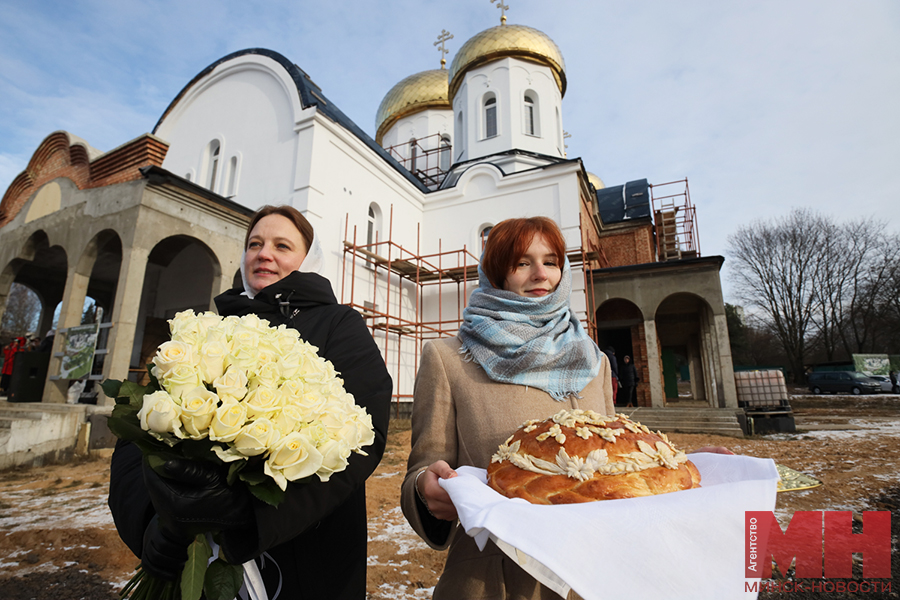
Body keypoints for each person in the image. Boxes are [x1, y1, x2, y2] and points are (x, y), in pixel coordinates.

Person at [108, 205, 393, 599]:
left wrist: (253, 513)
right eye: (255, 243)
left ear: (308, 260)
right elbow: (137, 430)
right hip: (195, 553)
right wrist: (151, 519)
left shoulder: (338, 324)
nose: (264, 253)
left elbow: (365, 432)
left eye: (282, 245)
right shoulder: (211, 327)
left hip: (307, 556)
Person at [401, 217, 615, 600]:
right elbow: (423, 466)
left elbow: (617, 463)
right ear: (497, 273)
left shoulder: (593, 361)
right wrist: (424, 488)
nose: (540, 274)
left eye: (551, 262)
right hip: (497, 579)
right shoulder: (448, 359)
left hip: (590, 574)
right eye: (521, 263)